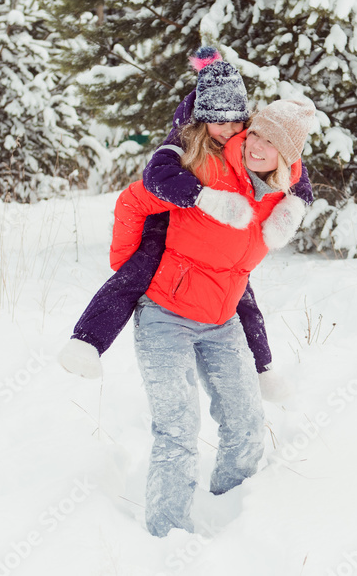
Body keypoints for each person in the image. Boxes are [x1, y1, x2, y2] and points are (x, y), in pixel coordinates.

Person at [108, 98, 316, 536]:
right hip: (165, 313)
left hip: (222, 321)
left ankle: (234, 521)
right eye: (255, 132)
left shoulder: (284, 195)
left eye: (271, 141)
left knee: (246, 426)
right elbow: (134, 200)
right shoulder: (208, 163)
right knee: (178, 428)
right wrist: (130, 267)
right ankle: (166, 538)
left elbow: (300, 183)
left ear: (289, 156)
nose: (256, 145)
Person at [59, 48, 313, 398]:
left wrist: (293, 207)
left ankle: (262, 370)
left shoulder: (248, 138)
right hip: (169, 221)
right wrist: (205, 198)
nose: (230, 130)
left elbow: (292, 164)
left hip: (215, 244)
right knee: (135, 274)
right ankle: (87, 342)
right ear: (203, 117)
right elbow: (155, 178)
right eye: (220, 122)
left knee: (244, 297)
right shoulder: (184, 137)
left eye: (237, 121)